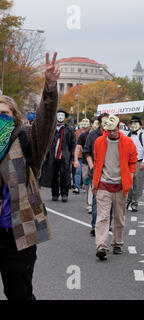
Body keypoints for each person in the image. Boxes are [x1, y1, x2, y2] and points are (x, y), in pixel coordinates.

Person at [0, 52, 59, 300]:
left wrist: (50, 89)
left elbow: (45, 123)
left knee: (19, 293)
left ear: (14, 117)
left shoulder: (24, 138)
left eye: (4, 114)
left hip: (17, 232)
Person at [92, 115, 137, 261]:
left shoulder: (128, 142)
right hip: (103, 184)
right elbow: (97, 160)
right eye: (109, 130)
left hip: (120, 185)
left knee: (119, 217)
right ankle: (101, 247)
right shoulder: (99, 142)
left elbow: (133, 161)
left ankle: (117, 242)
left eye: (114, 130)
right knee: (102, 218)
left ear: (119, 128)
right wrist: (95, 182)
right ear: (105, 130)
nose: (112, 133)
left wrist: (129, 177)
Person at [84, 113, 111, 236]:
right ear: (99, 123)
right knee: (96, 200)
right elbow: (87, 152)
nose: (106, 125)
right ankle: (95, 226)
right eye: (103, 122)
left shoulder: (113, 135)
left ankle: (107, 224)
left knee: (109, 201)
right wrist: (91, 166)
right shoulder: (92, 135)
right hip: (96, 172)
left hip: (110, 173)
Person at [40, 108, 76, 202]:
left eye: (62, 115)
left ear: (65, 117)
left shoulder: (69, 129)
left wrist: (72, 157)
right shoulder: (51, 129)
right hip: (52, 156)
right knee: (54, 176)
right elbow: (45, 142)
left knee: (65, 176)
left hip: (64, 156)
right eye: (58, 115)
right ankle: (55, 194)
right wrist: (44, 154)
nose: (60, 117)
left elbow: (72, 144)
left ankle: (64, 194)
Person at [126, 115, 144, 212]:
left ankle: (134, 203)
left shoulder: (143, 135)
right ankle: (128, 199)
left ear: (140, 126)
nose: (133, 125)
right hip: (128, 162)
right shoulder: (128, 135)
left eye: (135, 123)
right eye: (131, 123)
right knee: (128, 183)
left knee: (137, 184)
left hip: (138, 162)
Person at [73, 119, 90, 194]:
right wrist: (74, 158)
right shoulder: (77, 132)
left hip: (88, 156)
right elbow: (75, 144)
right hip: (79, 155)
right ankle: (77, 187)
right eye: (84, 121)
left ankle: (85, 186)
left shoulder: (91, 132)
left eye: (87, 122)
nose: (85, 123)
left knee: (88, 173)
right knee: (78, 172)